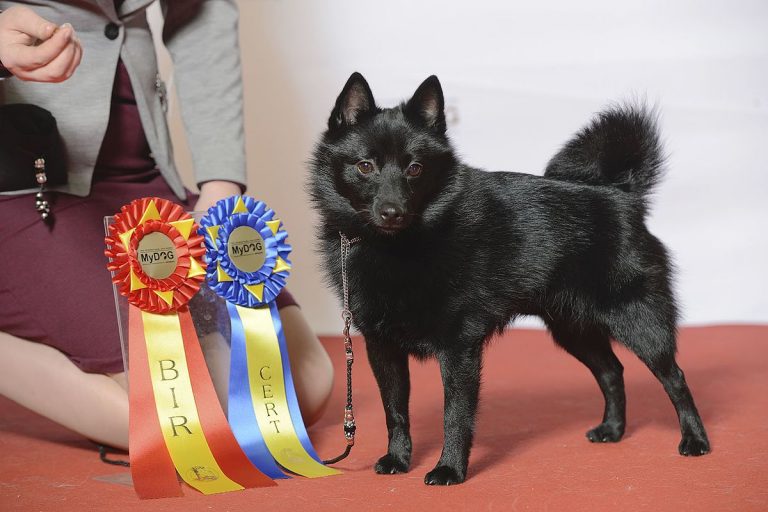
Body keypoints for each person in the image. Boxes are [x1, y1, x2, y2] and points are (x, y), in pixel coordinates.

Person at [0, 2, 333, 451]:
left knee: (306, 386)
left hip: (144, 169)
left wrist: (219, 187)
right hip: (27, 181)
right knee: (185, 424)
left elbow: (204, 17)